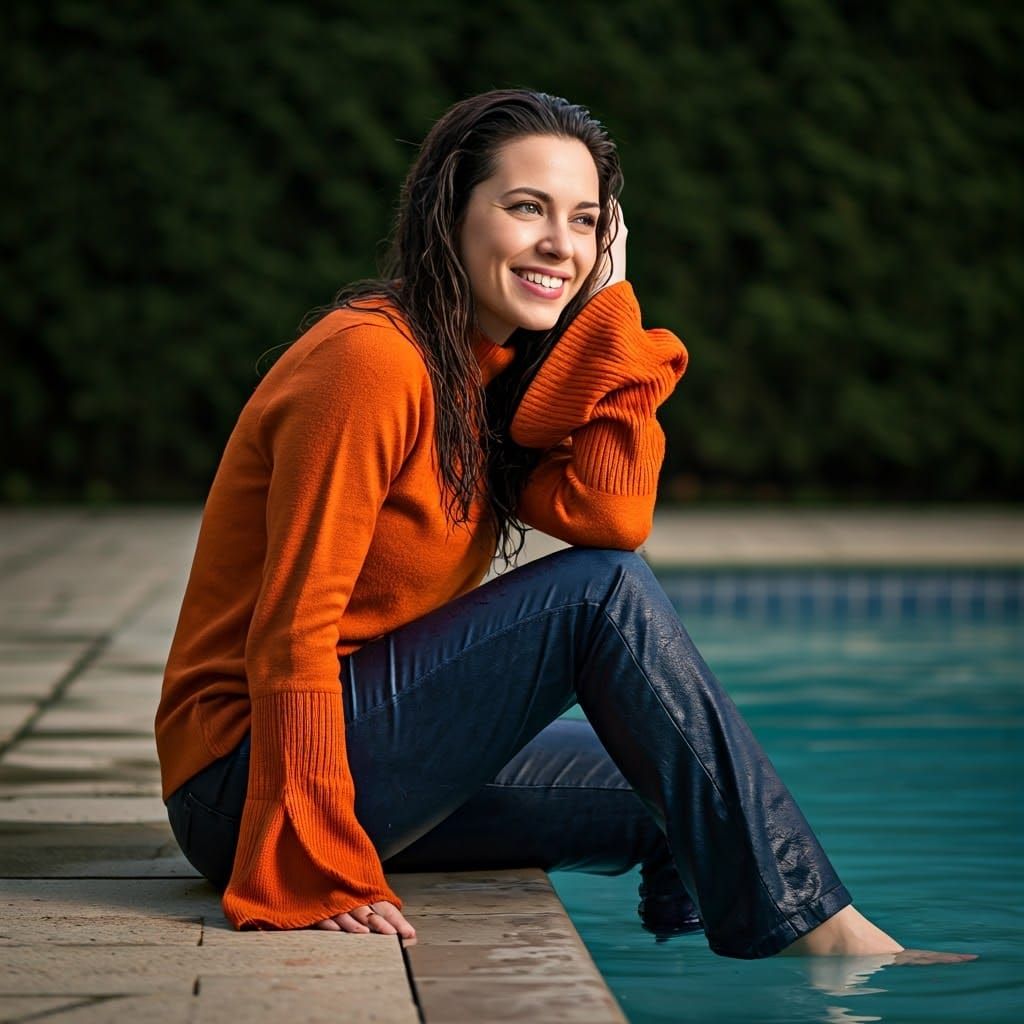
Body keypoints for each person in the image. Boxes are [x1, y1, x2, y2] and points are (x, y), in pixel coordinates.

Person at [155, 89, 972, 963]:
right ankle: (828, 935)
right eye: (526, 208)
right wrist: (307, 861)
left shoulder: (491, 374)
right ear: (450, 212)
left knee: (687, 782)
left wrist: (612, 301)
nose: (559, 244)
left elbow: (610, 517)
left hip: (371, 748)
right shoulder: (371, 362)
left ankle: (746, 968)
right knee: (599, 599)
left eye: (585, 222)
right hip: (243, 784)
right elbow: (292, 627)